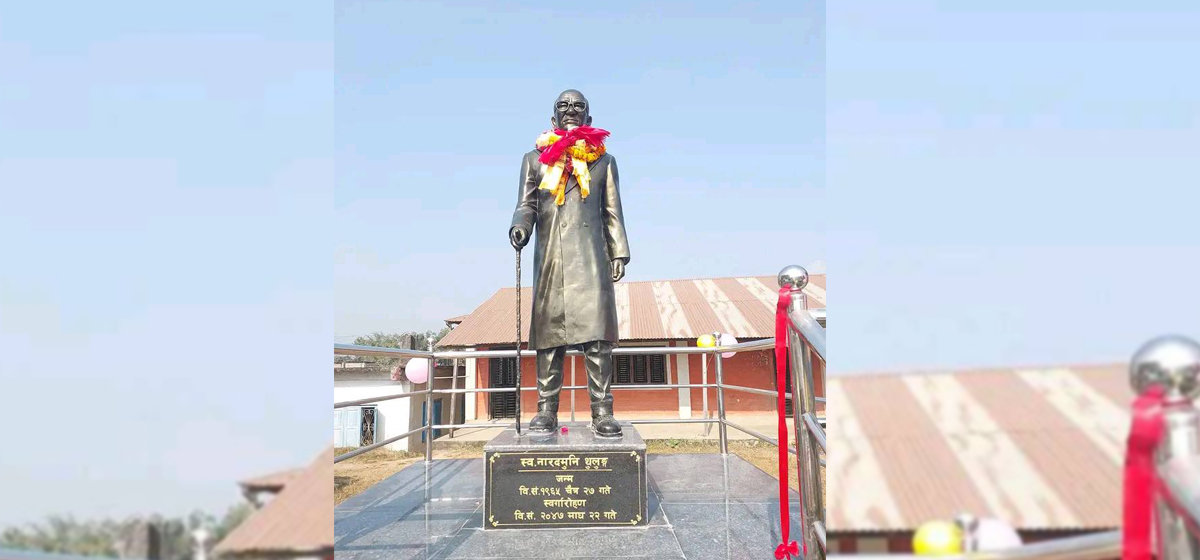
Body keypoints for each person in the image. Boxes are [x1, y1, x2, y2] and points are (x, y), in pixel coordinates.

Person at [508, 89, 630, 438]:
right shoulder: (535, 159)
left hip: (592, 256)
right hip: (552, 258)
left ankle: (602, 411)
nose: (571, 110)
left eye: (578, 107)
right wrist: (520, 226)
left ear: (589, 119)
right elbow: (526, 204)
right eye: (564, 106)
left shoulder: (604, 161)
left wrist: (618, 251)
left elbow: (612, 211)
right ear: (553, 118)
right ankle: (546, 409)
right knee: (549, 338)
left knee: (597, 339)